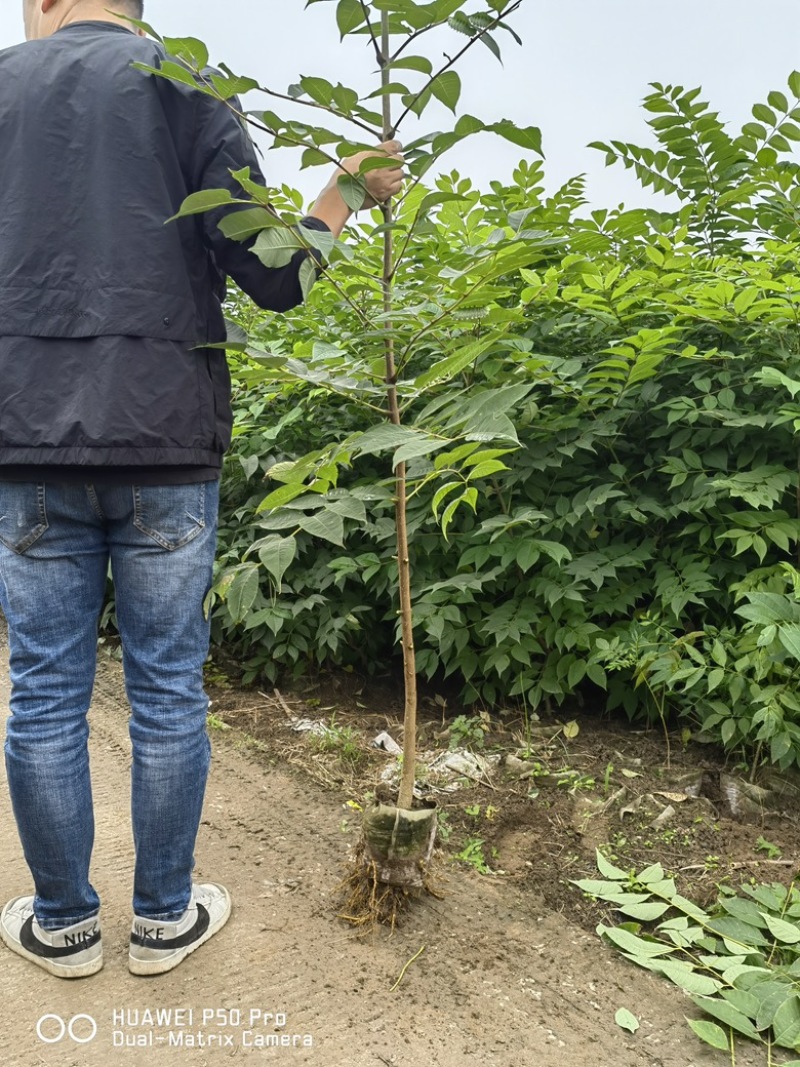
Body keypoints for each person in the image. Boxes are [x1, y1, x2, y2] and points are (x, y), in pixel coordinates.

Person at [0, 0, 403, 979]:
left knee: (43, 692)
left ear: (45, 3)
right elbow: (273, 275)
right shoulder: (186, 81)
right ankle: (163, 919)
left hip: (26, 441)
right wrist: (343, 189)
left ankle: (61, 924)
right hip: (165, 439)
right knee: (167, 690)